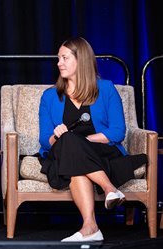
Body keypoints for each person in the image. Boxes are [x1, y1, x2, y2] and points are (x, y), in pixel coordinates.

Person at [38, 37, 147, 242]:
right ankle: (109, 190)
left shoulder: (106, 89)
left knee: (75, 157)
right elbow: (45, 140)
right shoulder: (49, 96)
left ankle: (91, 228)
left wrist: (82, 143)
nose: (58, 63)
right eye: (58, 58)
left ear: (82, 60)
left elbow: (117, 132)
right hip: (62, 154)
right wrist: (57, 136)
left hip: (101, 153)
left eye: (64, 58)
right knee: (69, 144)